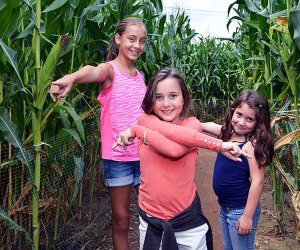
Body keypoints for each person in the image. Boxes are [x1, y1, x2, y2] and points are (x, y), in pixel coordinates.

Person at [113, 68, 251, 250]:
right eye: (159, 97)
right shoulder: (145, 120)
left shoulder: (191, 125)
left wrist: (138, 131)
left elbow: (173, 150)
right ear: (150, 100)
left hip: (187, 221)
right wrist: (140, 129)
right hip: (151, 220)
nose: (166, 103)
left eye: (173, 96)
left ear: (184, 98)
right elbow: (165, 133)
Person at [50, 17, 147, 250]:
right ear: (118, 39)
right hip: (118, 160)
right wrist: (71, 78)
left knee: (150, 218)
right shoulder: (110, 71)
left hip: (144, 156)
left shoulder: (141, 77)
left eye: (142, 41)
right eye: (131, 39)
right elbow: (93, 71)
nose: (137, 45)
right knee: (122, 221)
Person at [203, 90, 274, 250]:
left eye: (249, 119)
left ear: (258, 122)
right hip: (225, 207)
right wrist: (195, 124)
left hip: (240, 210)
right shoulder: (229, 133)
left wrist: (247, 216)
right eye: (239, 114)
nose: (241, 122)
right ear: (233, 111)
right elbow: (209, 126)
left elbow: (258, 181)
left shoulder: (252, 144)